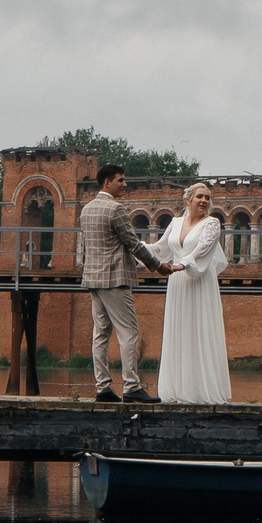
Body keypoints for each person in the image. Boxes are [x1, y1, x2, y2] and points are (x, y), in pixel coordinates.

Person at [79, 164, 178, 403]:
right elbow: (134, 244)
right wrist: (159, 266)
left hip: (93, 279)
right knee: (129, 331)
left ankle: (102, 387)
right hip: (114, 279)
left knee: (100, 334)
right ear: (107, 183)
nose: (125, 184)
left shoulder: (86, 210)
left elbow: (88, 247)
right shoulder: (116, 209)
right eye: (120, 180)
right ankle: (132, 386)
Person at [150, 182, 231, 403]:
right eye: (199, 197)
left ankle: (200, 391)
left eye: (207, 197)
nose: (204, 200)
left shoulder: (212, 224)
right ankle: (177, 390)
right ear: (189, 200)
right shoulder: (175, 223)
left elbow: (201, 250)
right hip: (177, 284)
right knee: (179, 328)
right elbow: (160, 248)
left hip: (199, 280)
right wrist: (134, 247)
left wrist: (181, 265)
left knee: (199, 328)